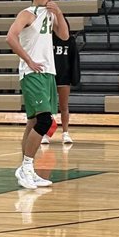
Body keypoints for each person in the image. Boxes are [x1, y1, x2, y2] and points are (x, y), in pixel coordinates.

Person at [6, 0, 70, 190]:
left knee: (33, 122)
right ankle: (26, 167)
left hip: (48, 72)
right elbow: (10, 37)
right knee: (44, 121)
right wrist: (29, 60)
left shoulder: (50, 14)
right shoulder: (26, 13)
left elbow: (65, 36)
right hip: (32, 72)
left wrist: (58, 13)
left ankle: (27, 169)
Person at [42, 12, 78, 146]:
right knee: (48, 107)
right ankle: (46, 133)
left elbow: (74, 60)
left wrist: (74, 77)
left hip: (64, 76)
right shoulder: (46, 39)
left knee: (64, 106)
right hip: (49, 75)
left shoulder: (70, 40)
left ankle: (65, 133)